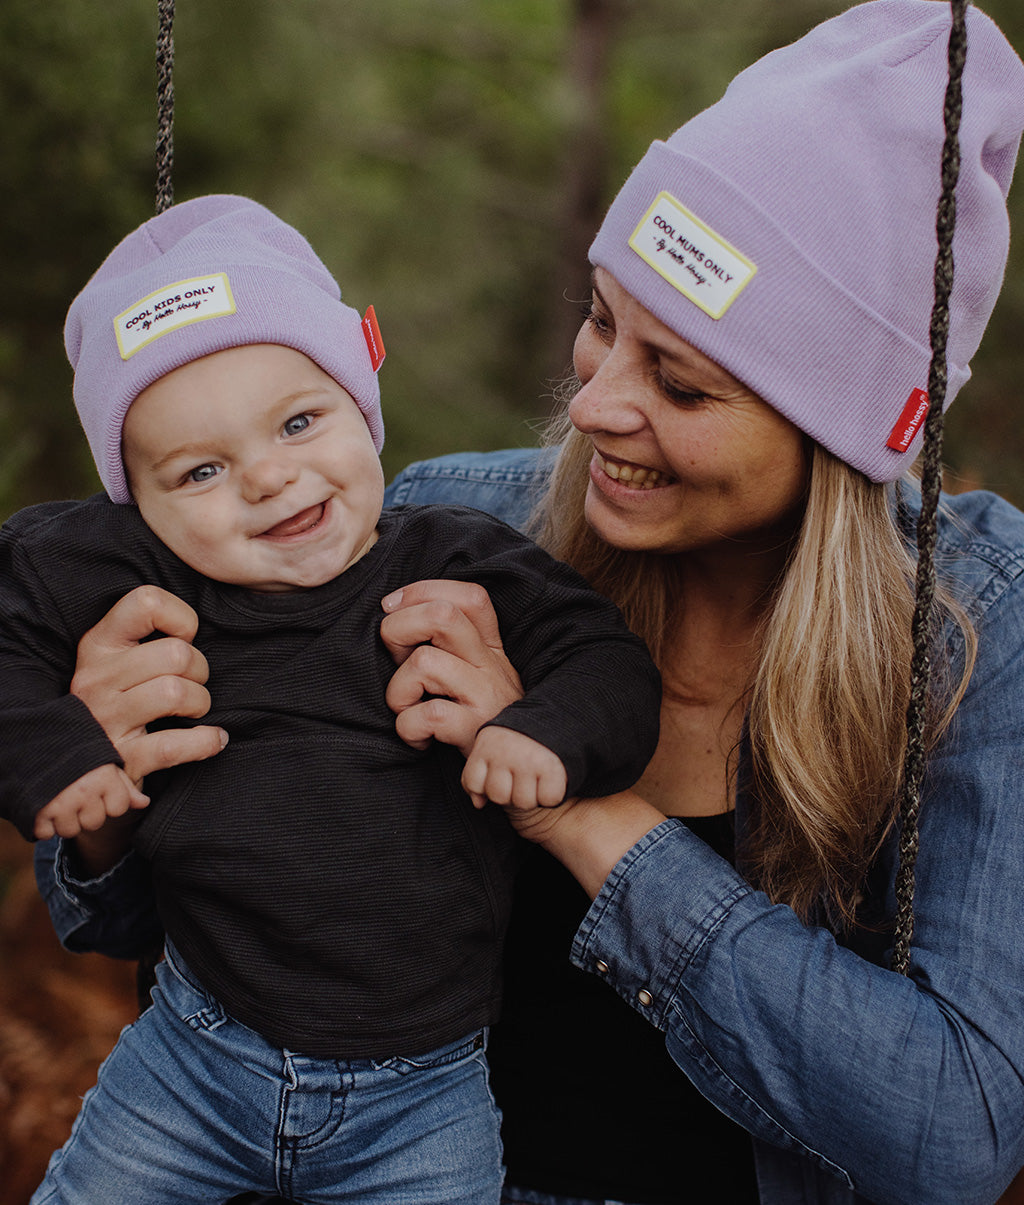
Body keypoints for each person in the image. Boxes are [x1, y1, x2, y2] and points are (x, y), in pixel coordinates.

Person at [28, 1, 1024, 1202]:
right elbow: (171, 913)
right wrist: (104, 798)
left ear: (847, 435)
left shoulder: (972, 628)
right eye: (604, 321)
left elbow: (950, 1134)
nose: (597, 401)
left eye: (684, 380)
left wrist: (582, 812)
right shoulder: (457, 531)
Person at [0, 194, 662, 1204]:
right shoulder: (129, 576)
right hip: (191, 1062)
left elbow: (602, 658)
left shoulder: (455, 560)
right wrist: (53, 746)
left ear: (361, 401)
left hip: (421, 1096)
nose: (268, 476)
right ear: (136, 502)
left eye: (300, 420)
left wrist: (549, 730)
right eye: (203, 469)